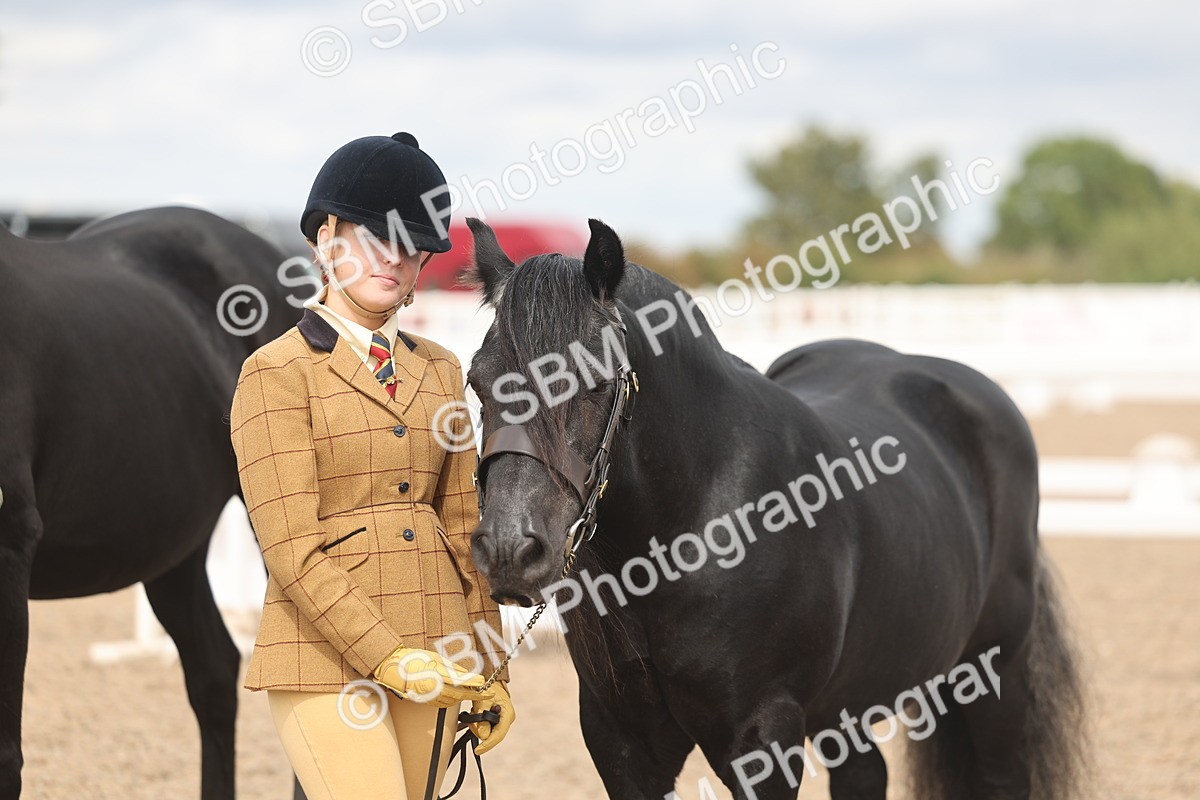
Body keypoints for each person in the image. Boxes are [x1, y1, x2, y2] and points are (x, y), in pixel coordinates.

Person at [228, 132, 513, 800]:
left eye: (414, 245)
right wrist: (386, 655)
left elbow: (463, 527)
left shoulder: (440, 369)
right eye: (374, 236)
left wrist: (491, 664)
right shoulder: (274, 373)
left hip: (440, 649)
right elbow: (292, 548)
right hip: (323, 657)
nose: (396, 258)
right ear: (326, 237)